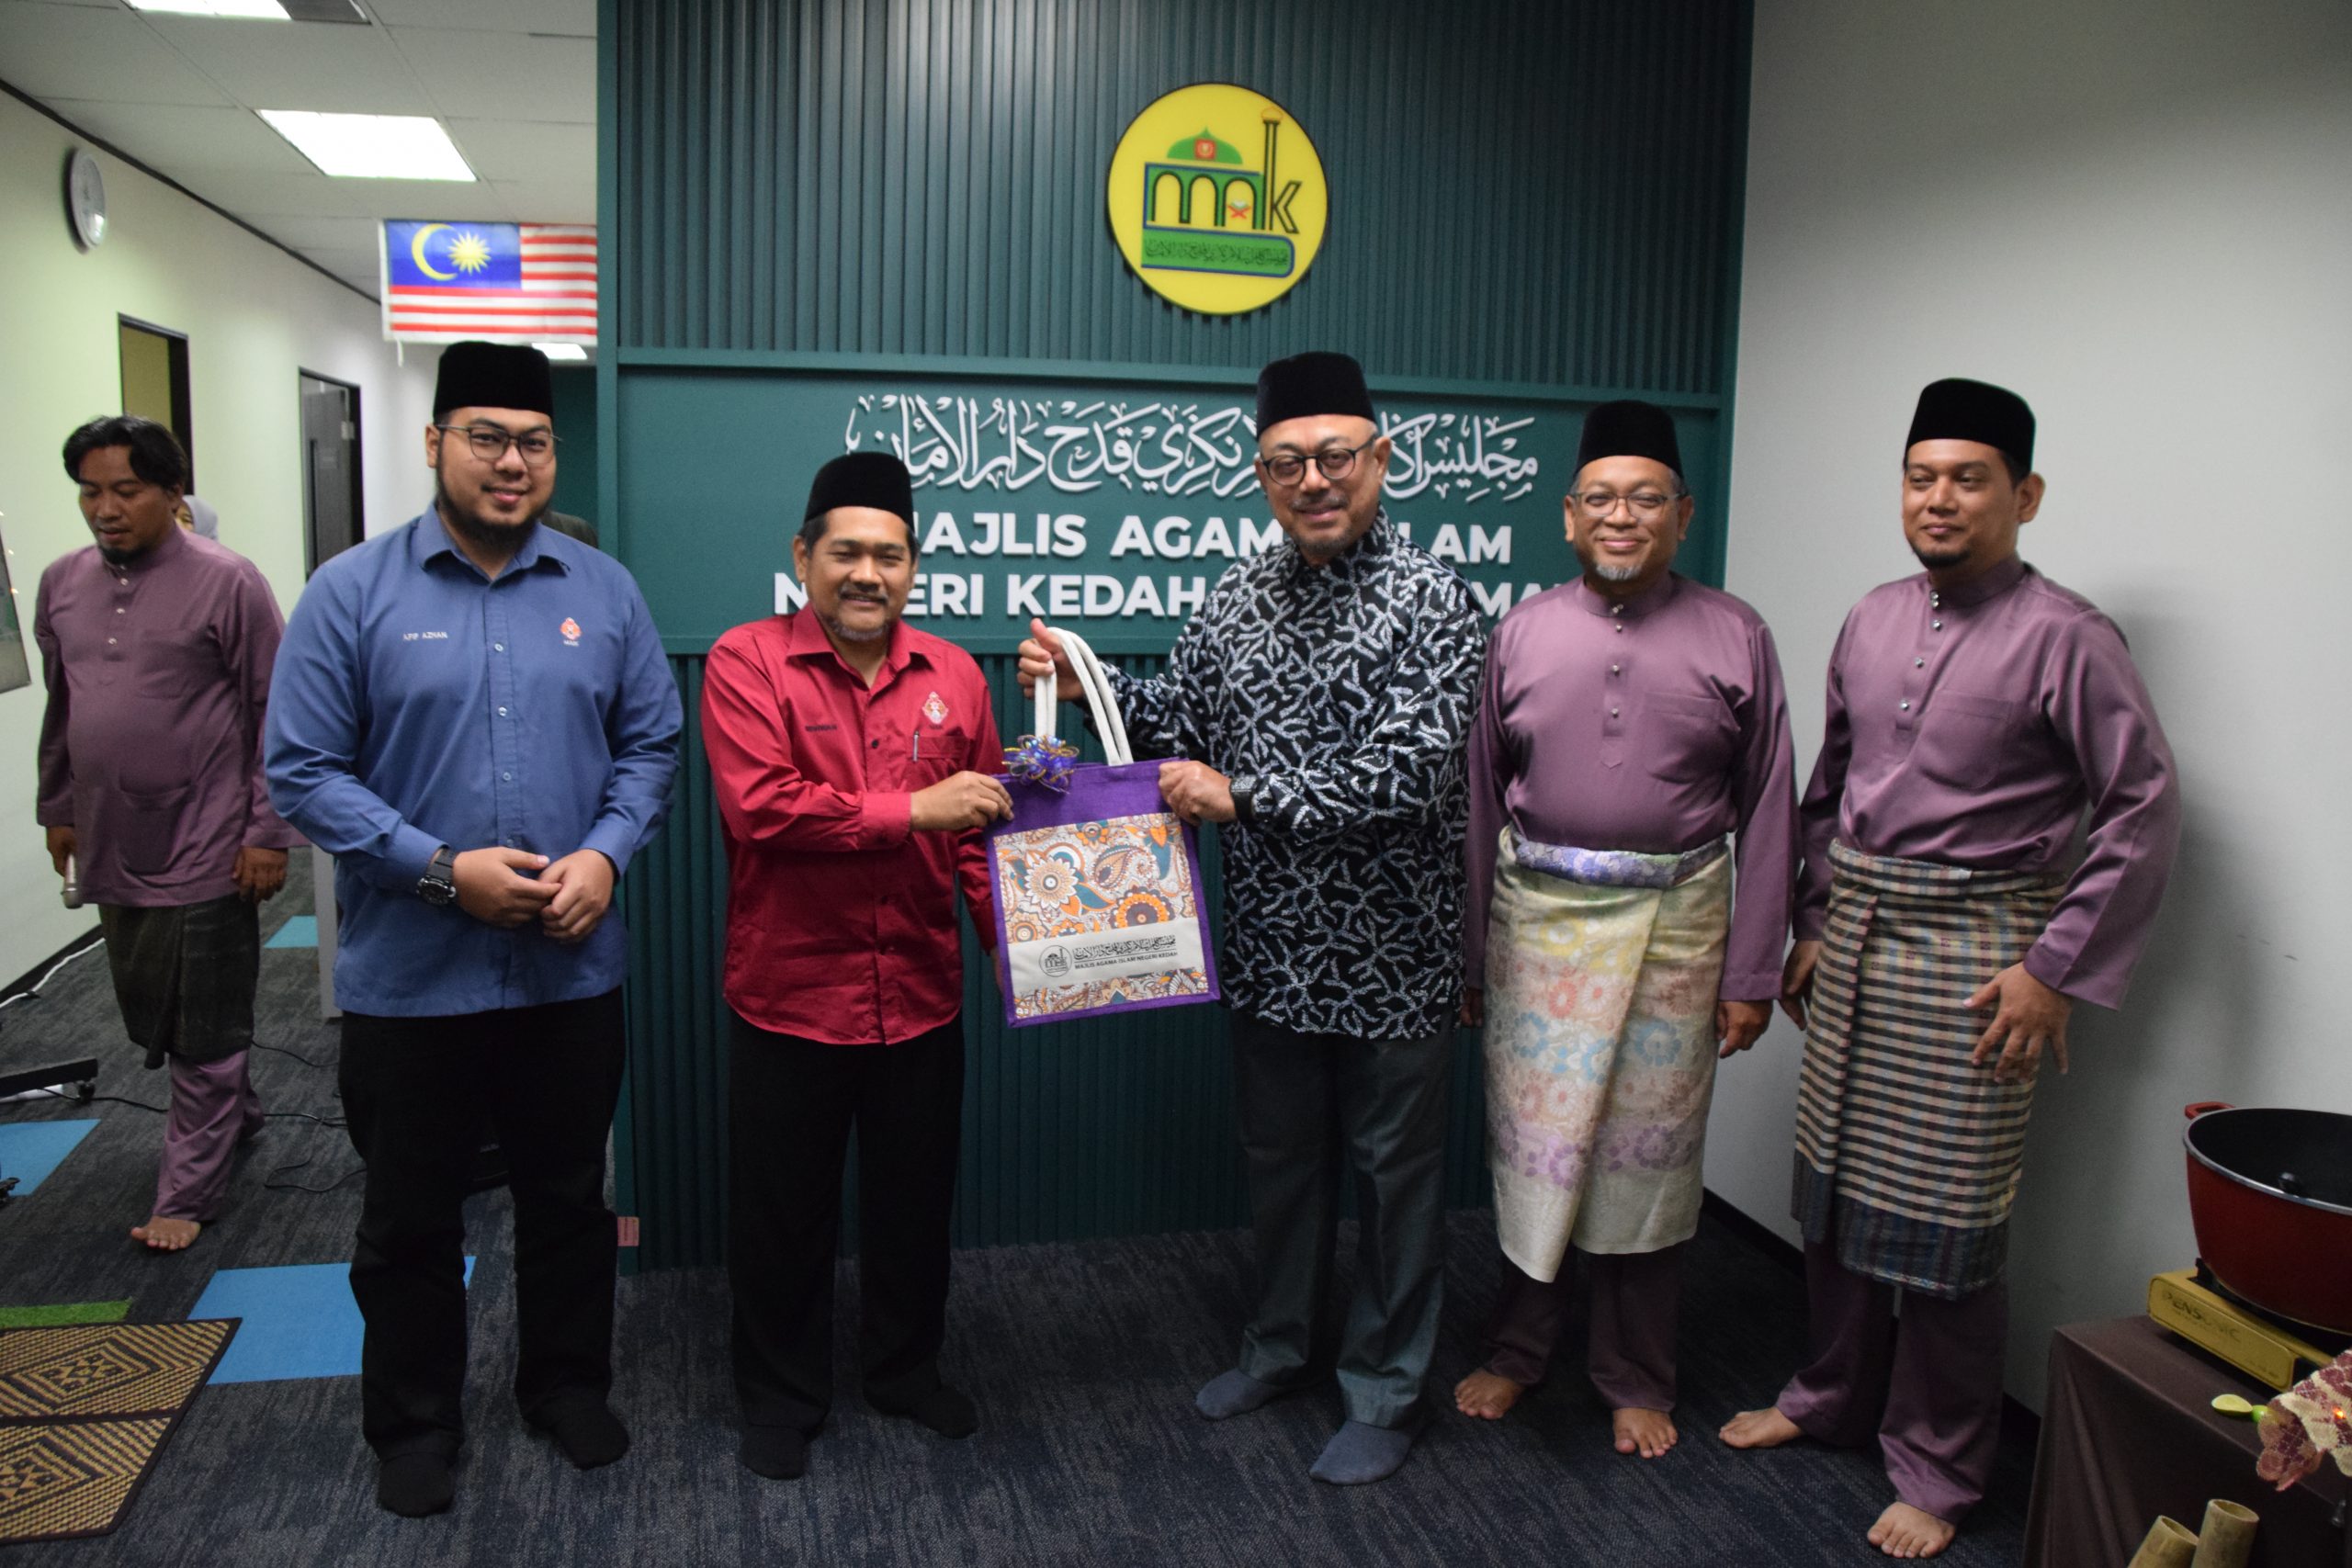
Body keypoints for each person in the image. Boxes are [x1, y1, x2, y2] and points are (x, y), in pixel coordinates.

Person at [1719, 378, 2182, 1559]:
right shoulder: (1872, 616)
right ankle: (1829, 1397)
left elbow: (2141, 806)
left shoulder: (2068, 635)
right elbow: (1826, 790)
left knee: (1947, 1224)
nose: (1939, 499)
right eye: (1920, 477)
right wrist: (1810, 919)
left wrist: (2052, 970)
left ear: (2024, 495)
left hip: (1982, 955)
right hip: (1856, 935)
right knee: (1831, 1196)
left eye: (1968, 479)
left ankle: (1938, 1463)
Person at [1020, 351, 1487, 1484]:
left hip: (1395, 957)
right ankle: (1278, 1348)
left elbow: (1410, 773)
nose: (1312, 480)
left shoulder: (1436, 601)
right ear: (1262, 474)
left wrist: (1246, 796)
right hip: (1272, 950)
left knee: (1394, 1184)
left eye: (1334, 457)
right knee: (1279, 1166)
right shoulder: (1236, 595)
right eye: (1286, 463)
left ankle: (1385, 1389)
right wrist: (1092, 686)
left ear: (1380, 459)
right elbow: (1180, 719)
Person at [266, 342, 682, 1518]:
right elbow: (301, 769)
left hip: (569, 974)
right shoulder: (351, 591)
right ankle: (415, 1424)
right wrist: (441, 873)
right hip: (412, 978)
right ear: (436, 442)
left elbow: (651, 744)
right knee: (409, 1217)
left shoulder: (604, 592)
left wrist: (606, 852)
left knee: (568, 1200)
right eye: (487, 437)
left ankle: (566, 1386)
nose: (512, 462)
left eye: (534, 442)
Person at [1453, 400, 1797, 1459]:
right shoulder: (1520, 632)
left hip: (1676, 926)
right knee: (1539, 1148)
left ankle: (1635, 1373)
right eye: (1599, 497)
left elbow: (1772, 804)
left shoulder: (1737, 633)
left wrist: (1753, 971)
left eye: (1644, 498)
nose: (1620, 515)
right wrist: (1468, 955)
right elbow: (1478, 800)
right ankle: (1518, 1349)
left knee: (1649, 1155)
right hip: (1536, 927)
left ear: (1681, 515)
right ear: (1568, 515)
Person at [700, 451, 1011, 1483]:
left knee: (914, 1205)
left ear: (913, 566)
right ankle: (781, 1396)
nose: (867, 573)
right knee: (782, 1214)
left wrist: (1019, 948)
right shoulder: (747, 661)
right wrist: (913, 809)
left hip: (920, 991)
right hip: (789, 994)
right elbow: (764, 808)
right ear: (803, 556)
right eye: (845, 553)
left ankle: (904, 1371)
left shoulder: (956, 675)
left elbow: (978, 837)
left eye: (889, 555)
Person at [36, 415, 300, 1252]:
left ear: (172, 491)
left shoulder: (229, 581)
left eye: (126, 490)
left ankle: (187, 1191)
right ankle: (236, 1112)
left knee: (204, 1022)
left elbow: (276, 708)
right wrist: (58, 806)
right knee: (157, 1005)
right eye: (90, 491)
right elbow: (63, 705)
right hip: (113, 837)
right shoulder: (60, 581)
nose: (105, 509)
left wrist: (267, 829)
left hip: (209, 839)